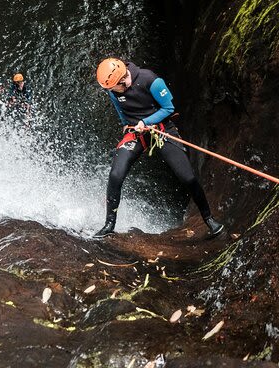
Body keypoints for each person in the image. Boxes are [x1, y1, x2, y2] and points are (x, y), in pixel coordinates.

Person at [94, 57, 224, 238]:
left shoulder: (151, 80)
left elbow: (169, 108)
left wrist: (145, 122)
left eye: (113, 87)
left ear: (123, 79)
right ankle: (109, 225)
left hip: (161, 129)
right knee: (115, 174)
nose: (111, 91)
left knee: (188, 178)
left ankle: (209, 219)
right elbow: (120, 109)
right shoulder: (113, 89)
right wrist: (126, 124)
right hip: (136, 132)